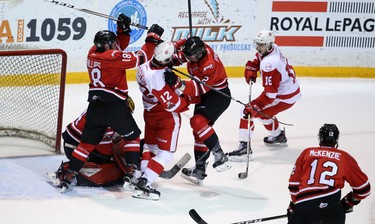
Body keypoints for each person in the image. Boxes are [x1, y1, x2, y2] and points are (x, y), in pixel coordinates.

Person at [57, 13, 144, 193]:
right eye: (112, 44)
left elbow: (119, 45)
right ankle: (132, 172)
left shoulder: (93, 52)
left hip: (95, 106)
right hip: (112, 105)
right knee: (132, 136)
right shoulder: (111, 57)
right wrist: (152, 41)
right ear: (107, 46)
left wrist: (123, 30)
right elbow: (139, 58)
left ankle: (70, 174)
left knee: (87, 145)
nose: (115, 46)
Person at [164, 36, 232, 184]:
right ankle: (200, 169)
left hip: (217, 95)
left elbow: (200, 88)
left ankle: (219, 154)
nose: (190, 58)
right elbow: (183, 51)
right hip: (205, 94)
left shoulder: (208, 64)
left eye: (192, 56)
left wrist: (178, 83)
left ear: (200, 52)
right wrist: (169, 59)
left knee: (198, 122)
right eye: (189, 55)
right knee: (198, 131)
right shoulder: (196, 49)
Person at [228, 29, 301, 161]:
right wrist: (252, 66)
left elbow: (270, 94)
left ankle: (244, 148)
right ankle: (278, 135)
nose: (258, 47)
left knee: (247, 112)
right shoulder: (272, 49)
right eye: (257, 44)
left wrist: (256, 105)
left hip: (284, 97)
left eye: (261, 45)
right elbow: (258, 57)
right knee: (262, 114)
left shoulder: (270, 64)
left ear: (268, 45)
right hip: (288, 92)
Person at [132, 41, 191, 200]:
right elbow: (174, 104)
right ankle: (146, 182)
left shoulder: (144, 66)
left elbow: (168, 54)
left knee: (150, 147)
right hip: (166, 116)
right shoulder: (159, 79)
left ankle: (143, 175)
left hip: (149, 113)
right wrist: (187, 98)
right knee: (166, 153)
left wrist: (182, 42)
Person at [287, 124, 371, 224]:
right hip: (332, 212)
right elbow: (364, 190)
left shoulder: (307, 153)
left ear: (320, 138)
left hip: (305, 209)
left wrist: (297, 206)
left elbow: (293, 186)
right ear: (336, 139)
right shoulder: (344, 157)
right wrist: (347, 203)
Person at [47, 109, 138, 188]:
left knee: (107, 158)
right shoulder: (107, 118)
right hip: (73, 146)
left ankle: (69, 171)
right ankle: (66, 173)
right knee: (107, 161)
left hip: (72, 142)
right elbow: (105, 147)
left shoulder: (101, 109)